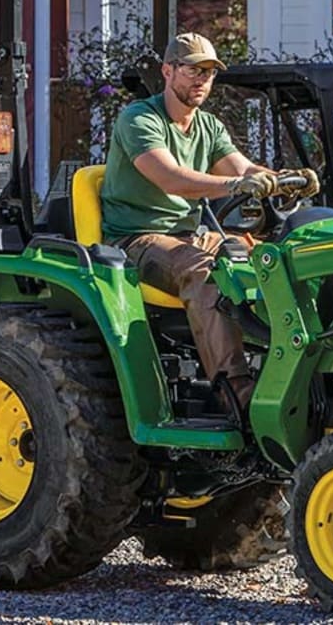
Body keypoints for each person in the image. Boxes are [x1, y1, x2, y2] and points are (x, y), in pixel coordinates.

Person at [100, 32, 319, 413]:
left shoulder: (209, 126)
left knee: (270, 257)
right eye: (192, 70)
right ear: (168, 72)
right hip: (136, 240)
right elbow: (172, 178)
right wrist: (238, 184)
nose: (202, 80)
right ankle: (233, 390)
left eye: (209, 72)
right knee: (205, 272)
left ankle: (295, 370)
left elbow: (244, 169)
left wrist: (284, 180)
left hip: (190, 236)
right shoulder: (139, 119)